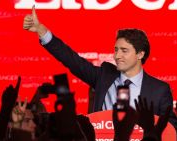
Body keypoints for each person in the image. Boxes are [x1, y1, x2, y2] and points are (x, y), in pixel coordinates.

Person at [22, 6, 177, 129]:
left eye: (124, 51)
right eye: (116, 50)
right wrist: (42, 31)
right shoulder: (104, 75)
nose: (117, 56)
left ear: (140, 54)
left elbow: (172, 128)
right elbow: (72, 60)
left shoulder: (159, 90)